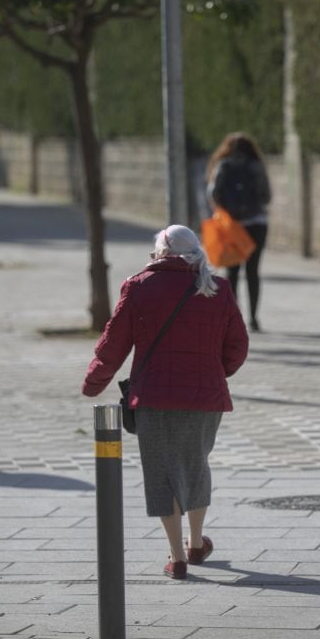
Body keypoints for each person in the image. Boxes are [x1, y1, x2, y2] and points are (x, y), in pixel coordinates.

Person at [82, 225, 249, 580]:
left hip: (154, 398)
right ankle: (195, 542)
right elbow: (238, 345)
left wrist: (94, 382)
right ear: (195, 253)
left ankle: (176, 557)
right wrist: (215, 373)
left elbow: (113, 344)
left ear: (158, 253)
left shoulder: (139, 286)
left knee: (160, 474)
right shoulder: (218, 289)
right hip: (205, 398)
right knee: (195, 465)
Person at [206, 132, 271, 331]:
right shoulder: (256, 165)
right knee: (253, 271)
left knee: (231, 272)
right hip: (256, 224)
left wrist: (227, 213)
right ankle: (253, 318)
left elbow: (213, 194)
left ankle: (233, 319)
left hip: (232, 227)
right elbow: (266, 197)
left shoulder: (223, 165)